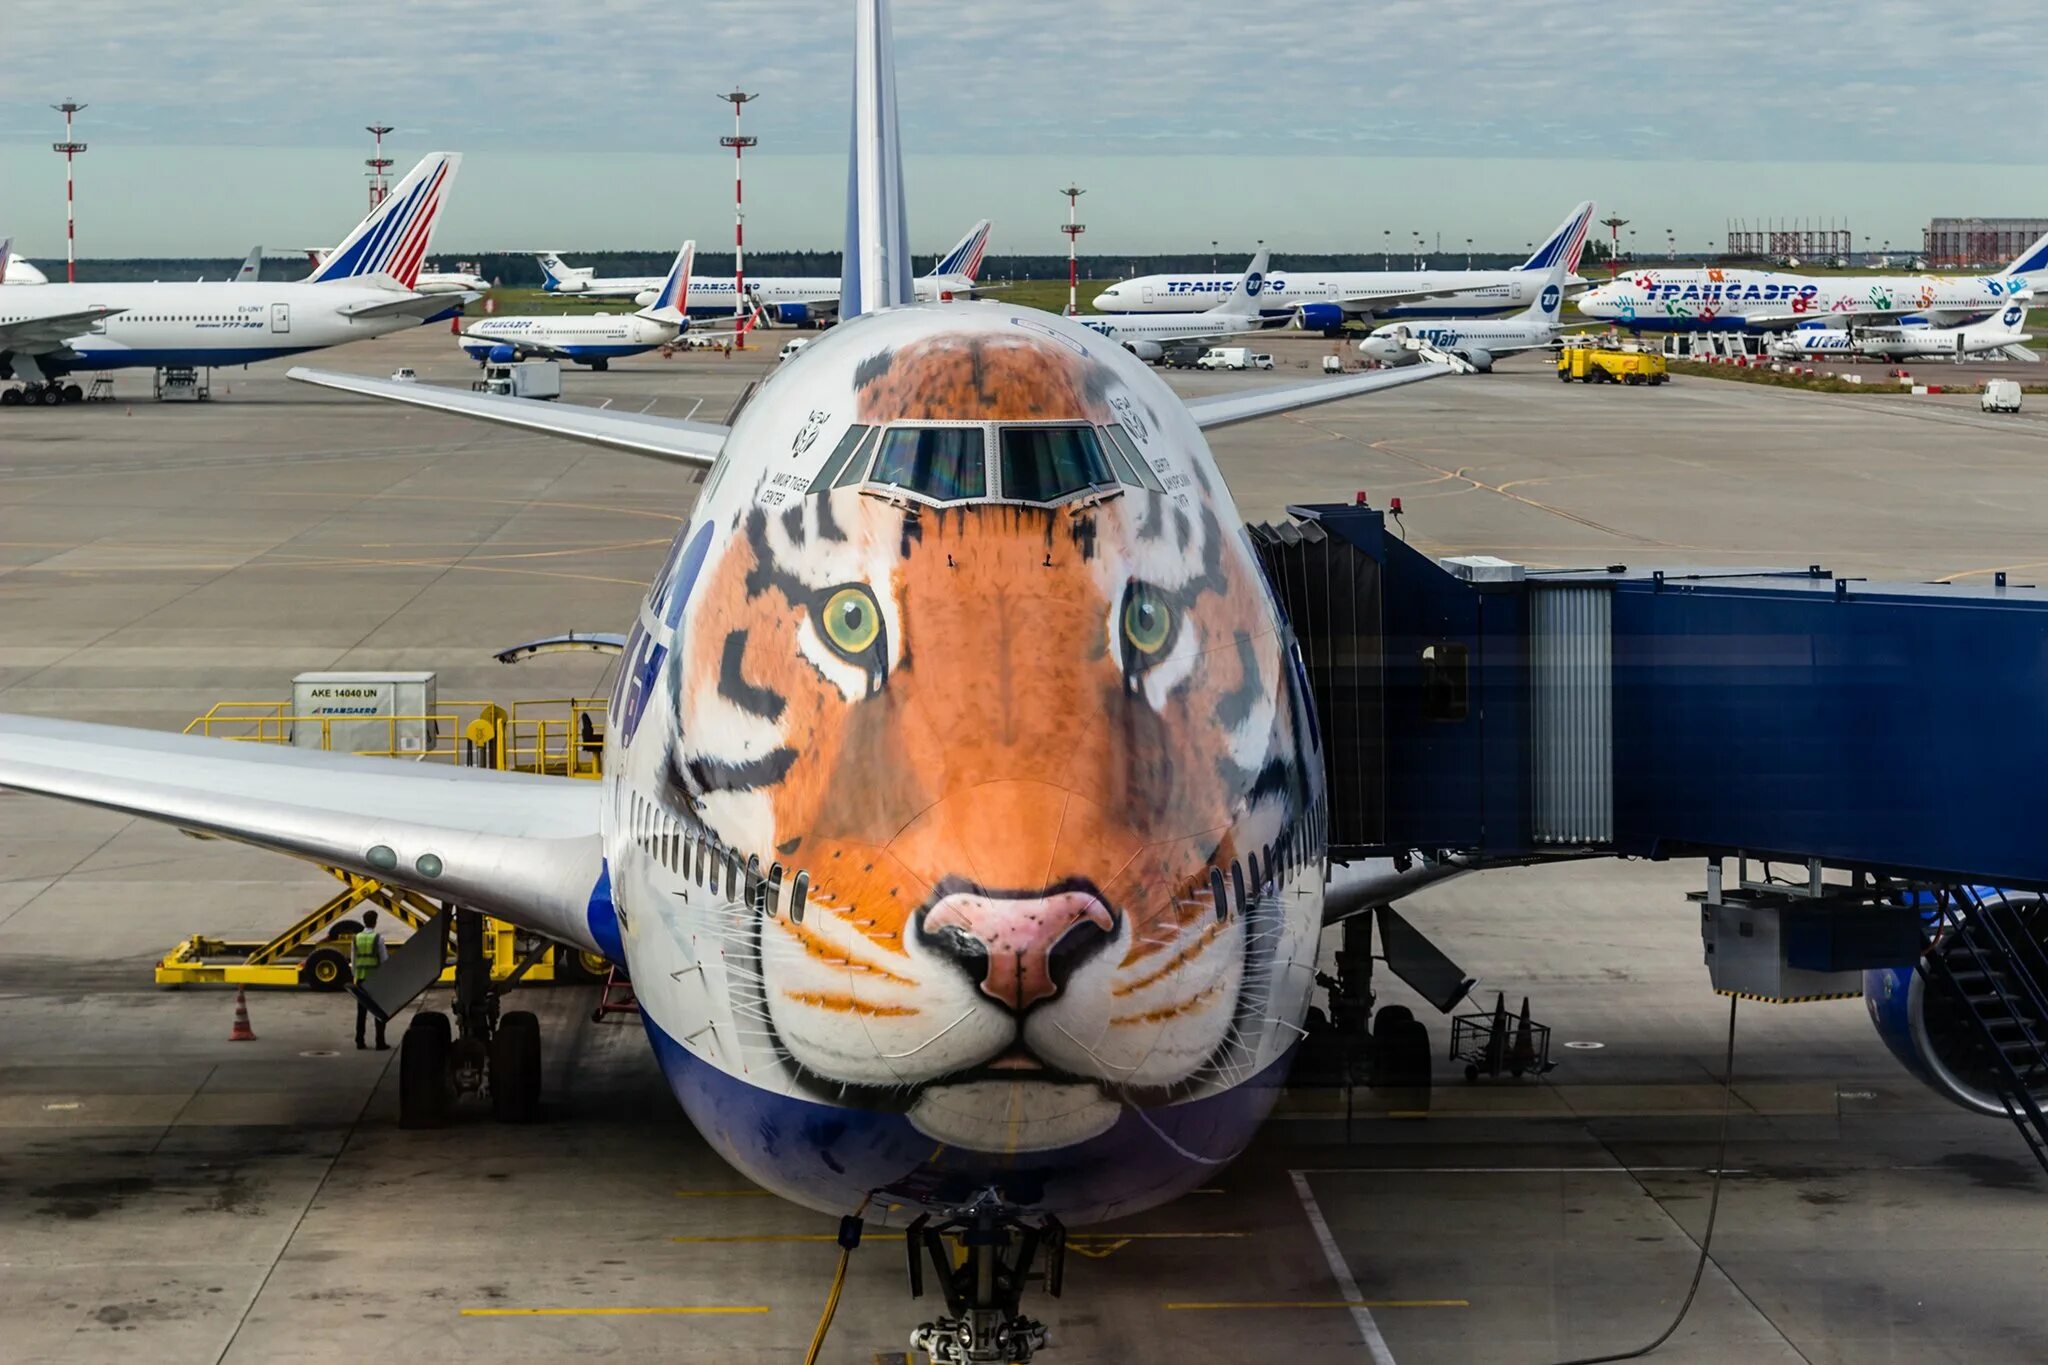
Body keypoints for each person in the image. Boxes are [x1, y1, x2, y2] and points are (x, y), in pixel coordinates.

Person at [353, 910, 390, 1050]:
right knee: (378, 1011)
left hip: (361, 979)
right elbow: (384, 960)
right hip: (375, 980)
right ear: (375, 922)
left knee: (361, 1012)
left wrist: (355, 976)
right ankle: (380, 1042)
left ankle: (359, 1041)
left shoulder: (356, 938)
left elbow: (354, 960)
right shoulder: (378, 939)